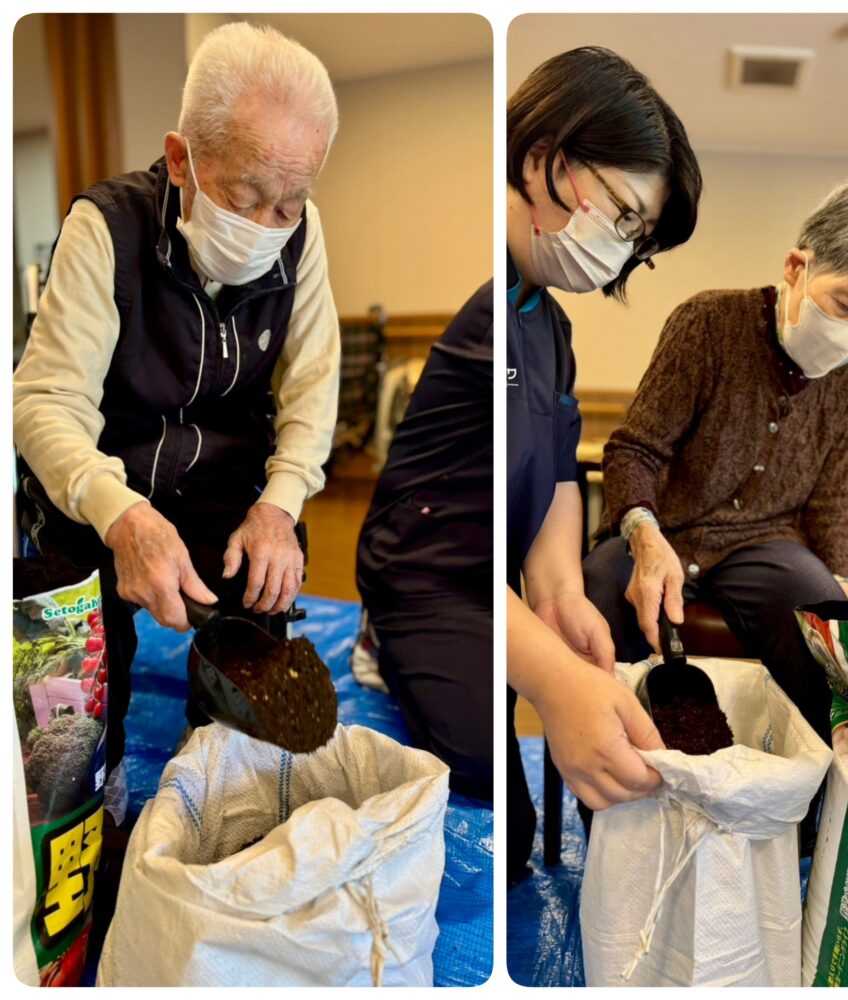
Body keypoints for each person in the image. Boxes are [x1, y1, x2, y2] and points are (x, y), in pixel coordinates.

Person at [13, 22, 341, 821]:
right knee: (65, 705)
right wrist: (123, 516)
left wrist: (280, 505)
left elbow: (313, 385)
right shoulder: (106, 228)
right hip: (99, 487)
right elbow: (42, 403)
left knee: (265, 591)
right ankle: (88, 798)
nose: (269, 224)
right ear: (181, 158)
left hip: (223, 487)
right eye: (242, 195)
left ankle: (222, 753)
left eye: (289, 203)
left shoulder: (303, 237)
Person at [583, 176, 848, 748]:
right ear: (796, 266)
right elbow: (634, 448)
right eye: (846, 306)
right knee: (602, 591)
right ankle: (614, 783)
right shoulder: (709, 324)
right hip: (664, 529)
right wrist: (643, 536)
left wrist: (843, 582)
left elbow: (830, 492)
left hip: (763, 546)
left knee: (823, 624)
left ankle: (807, 805)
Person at [505, 47, 702, 884]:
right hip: (431, 593)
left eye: (637, 245)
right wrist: (551, 679)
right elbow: (438, 557)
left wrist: (557, 596)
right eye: (622, 218)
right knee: (500, 831)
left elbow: (556, 475)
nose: (619, 256)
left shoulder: (548, 328)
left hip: (503, 598)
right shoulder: (473, 305)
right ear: (545, 152)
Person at [354, 283, 492, 802]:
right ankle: (382, 641)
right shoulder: (492, 318)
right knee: (483, 768)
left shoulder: (553, 331)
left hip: (487, 568)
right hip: (423, 563)